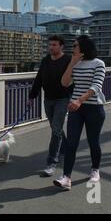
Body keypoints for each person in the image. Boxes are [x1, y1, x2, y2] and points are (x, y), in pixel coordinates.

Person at [54, 35, 106, 191]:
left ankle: (95, 169)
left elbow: (96, 86)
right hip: (76, 109)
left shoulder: (98, 63)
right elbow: (64, 83)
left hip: (94, 108)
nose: (73, 48)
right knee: (71, 143)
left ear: (84, 47)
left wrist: (80, 100)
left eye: (75, 45)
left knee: (93, 141)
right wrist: (71, 63)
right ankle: (66, 177)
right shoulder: (75, 64)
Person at [28, 35, 72, 176]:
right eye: (50, 45)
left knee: (56, 130)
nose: (51, 47)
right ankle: (66, 149)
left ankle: (51, 163)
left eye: (54, 45)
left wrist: (74, 98)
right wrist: (31, 96)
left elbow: (74, 80)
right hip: (48, 99)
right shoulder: (46, 60)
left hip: (63, 99)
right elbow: (39, 78)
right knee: (55, 127)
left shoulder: (68, 60)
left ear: (61, 46)